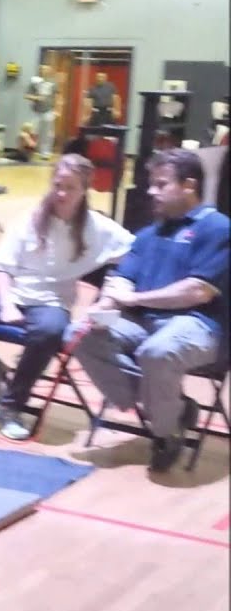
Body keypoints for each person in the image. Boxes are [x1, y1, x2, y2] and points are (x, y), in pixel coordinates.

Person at [0, 155, 135, 440]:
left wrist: (115, 288)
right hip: (10, 295)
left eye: (70, 187)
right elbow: (2, 267)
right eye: (57, 185)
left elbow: (135, 252)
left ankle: (11, 406)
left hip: (51, 303)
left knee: (49, 332)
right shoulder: (29, 219)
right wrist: (6, 305)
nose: (61, 193)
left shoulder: (98, 228)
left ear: (84, 190)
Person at [68, 149, 229, 471]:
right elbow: (121, 283)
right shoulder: (148, 234)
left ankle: (165, 431)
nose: (151, 191)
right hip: (144, 321)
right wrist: (103, 306)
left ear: (189, 185)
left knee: (157, 353)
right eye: (151, 184)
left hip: (201, 324)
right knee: (79, 333)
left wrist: (134, 299)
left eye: (161, 184)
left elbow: (196, 291)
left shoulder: (219, 228)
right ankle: (173, 407)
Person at [24, 64, 59, 161]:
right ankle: (29, 151)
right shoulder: (34, 81)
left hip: (48, 110)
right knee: (32, 131)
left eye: (46, 69)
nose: (43, 71)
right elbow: (26, 95)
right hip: (35, 110)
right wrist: (36, 98)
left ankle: (45, 153)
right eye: (42, 69)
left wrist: (56, 110)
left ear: (49, 71)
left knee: (47, 133)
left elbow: (56, 97)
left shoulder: (53, 82)